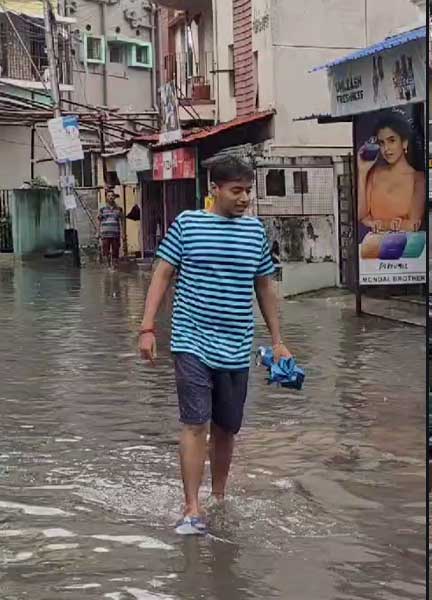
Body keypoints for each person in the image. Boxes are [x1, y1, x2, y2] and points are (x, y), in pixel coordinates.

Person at [138, 155, 293, 535]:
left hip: (237, 346)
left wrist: (277, 341)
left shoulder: (255, 231)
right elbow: (162, 272)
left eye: (248, 191)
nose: (244, 199)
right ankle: (192, 507)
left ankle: (218, 497)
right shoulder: (188, 225)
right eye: (236, 191)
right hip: (191, 340)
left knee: (227, 428)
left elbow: (264, 287)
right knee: (195, 424)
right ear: (215, 190)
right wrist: (146, 328)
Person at [357, 111, 425, 234]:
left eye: (391, 141)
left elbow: (413, 224)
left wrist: (378, 223)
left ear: (404, 142)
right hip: (371, 249)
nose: (386, 149)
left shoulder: (418, 179)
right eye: (382, 143)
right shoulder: (374, 174)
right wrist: (362, 172)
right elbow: (361, 216)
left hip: (405, 250)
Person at [98, 189, 124, 267]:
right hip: (105, 234)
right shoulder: (102, 209)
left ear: (114, 197)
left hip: (116, 234)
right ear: (106, 197)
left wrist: (123, 233)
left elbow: (122, 221)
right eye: (109, 196)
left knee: (115, 252)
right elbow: (99, 221)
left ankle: (114, 268)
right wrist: (98, 232)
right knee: (106, 252)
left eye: (112, 196)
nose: (111, 197)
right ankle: (108, 267)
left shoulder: (119, 209)